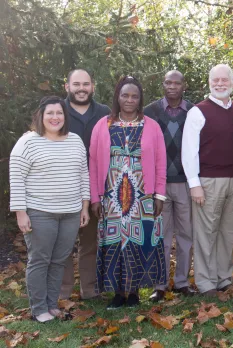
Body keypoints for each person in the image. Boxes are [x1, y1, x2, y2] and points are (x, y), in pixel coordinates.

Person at [89, 76, 167, 309]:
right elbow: (93, 163)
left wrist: (159, 194)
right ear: (118, 97)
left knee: (138, 240)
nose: (129, 100)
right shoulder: (103, 125)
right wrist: (95, 197)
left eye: (134, 96)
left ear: (140, 99)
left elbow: (160, 162)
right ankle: (118, 293)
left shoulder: (151, 126)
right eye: (125, 95)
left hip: (142, 194)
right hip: (111, 194)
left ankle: (133, 292)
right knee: (114, 240)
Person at [10, 97, 91, 322]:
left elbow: (83, 174)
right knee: (40, 260)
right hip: (40, 213)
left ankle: (51, 304)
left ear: (65, 116)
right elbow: (17, 178)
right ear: (41, 116)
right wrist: (20, 212)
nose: (55, 117)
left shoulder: (75, 140)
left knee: (59, 260)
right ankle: (38, 309)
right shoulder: (28, 142)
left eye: (59, 113)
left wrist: (84, 206)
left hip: (71, 213)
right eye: (50, 113)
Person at [182, 64, 233, 296]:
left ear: (232, 83)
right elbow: (189, 151)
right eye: (215, 80)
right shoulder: (198, 111)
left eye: (224, 80)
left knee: (227, 232)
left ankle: (223, 278)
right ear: (209, 83)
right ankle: (206, 282)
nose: (219, 84)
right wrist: (194, 184)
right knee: (206, 233)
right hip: (207, 181)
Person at [144, 71, 197, 301]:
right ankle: (160, 284)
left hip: (185, 182)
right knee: (161, 236)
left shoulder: (194, 111)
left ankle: (182, 282)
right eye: (168, 82)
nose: (172, 86)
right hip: (160, 183)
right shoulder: (150, 112)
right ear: (163, 84)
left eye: (177, 83)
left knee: (186, 235)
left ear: (184, 85)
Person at [60, 69, 110, 300]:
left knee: (90, 242)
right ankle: (62, 291)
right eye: (76, 84)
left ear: (92, 86)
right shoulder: (57, 111)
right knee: (63, 243)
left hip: (95, 188)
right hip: (64, 187)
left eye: (86, 84)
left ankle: (89, 289)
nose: (81, 88)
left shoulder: (104, 113)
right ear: (67, 87)